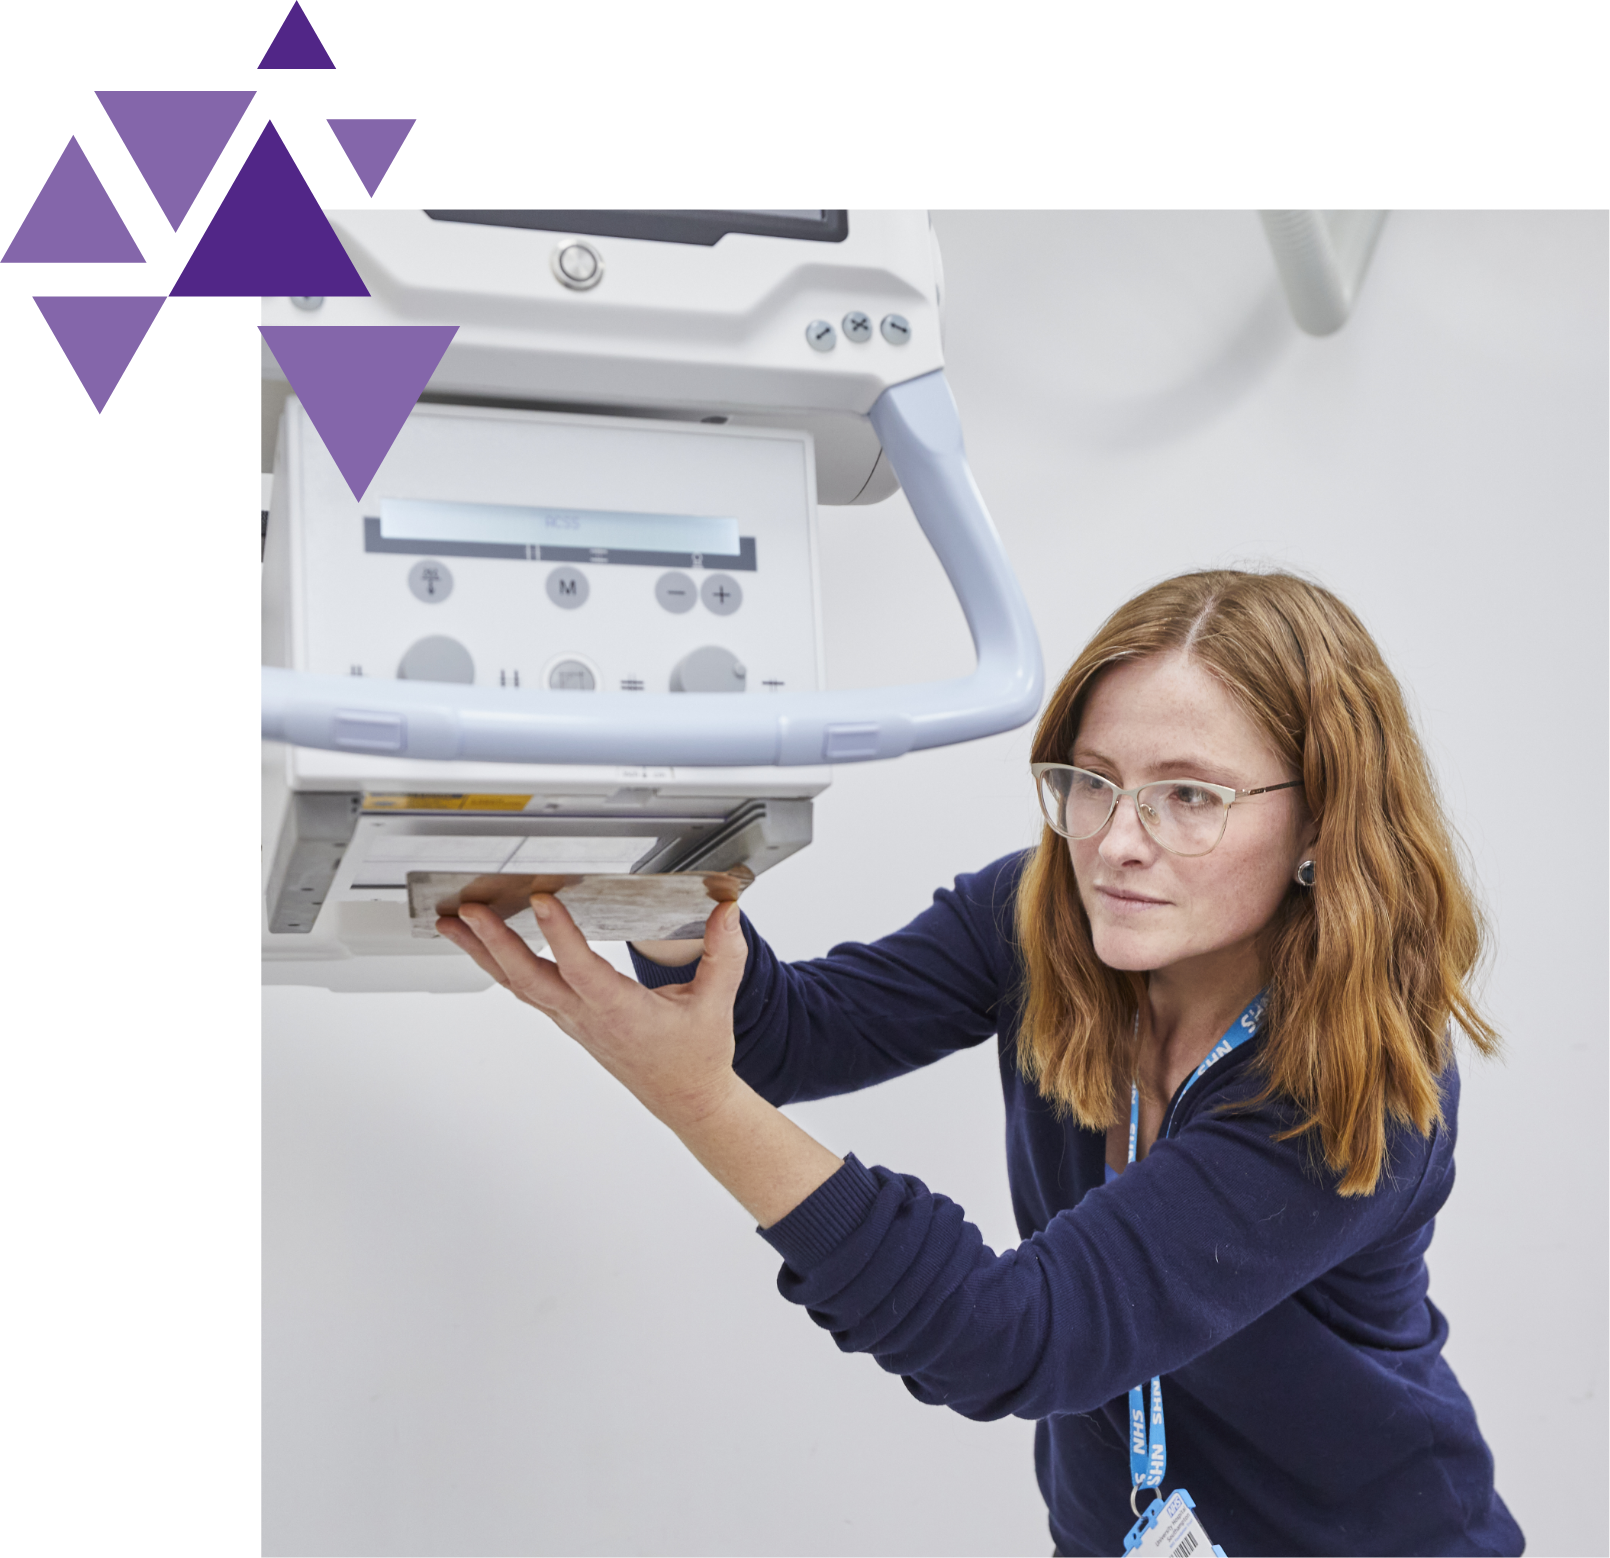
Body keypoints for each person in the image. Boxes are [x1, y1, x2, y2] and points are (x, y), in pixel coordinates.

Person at [437, 569, 1523, 1558]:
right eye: (1091, 780)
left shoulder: (1362, 1085)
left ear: (1320, 828)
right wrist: (657, 868)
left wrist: (692, 1098)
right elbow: (782, 1035)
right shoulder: (1044, 912)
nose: (1115, 841)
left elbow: (1017, 1335)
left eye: (1188, 795)